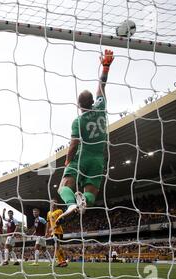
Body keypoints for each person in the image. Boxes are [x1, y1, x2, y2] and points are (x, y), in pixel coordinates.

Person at [58, 49, 114, 221]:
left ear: (79, 105)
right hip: (99, 158)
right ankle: (83, 203)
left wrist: (68, 160)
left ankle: (71, 204)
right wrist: (105, 67)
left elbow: (74, 144)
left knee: (63, 187)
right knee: (91, 192)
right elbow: (101, 86)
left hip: (83, 156)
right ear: (91, 102)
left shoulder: (78, 122)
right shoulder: (101, 107)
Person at [46, 199, 67, 267]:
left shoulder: (59, 211)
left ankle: (63, 261)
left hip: (58, 231)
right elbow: (48, 222)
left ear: (57, 204)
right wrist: (47, 232)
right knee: (55, 247)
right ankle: (60, 262)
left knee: (57, 246)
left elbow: (62, 220)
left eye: (54, 202)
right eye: (52, 203)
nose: (53, 204)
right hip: (52, 232)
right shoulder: (49, 213)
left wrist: (54, 227)